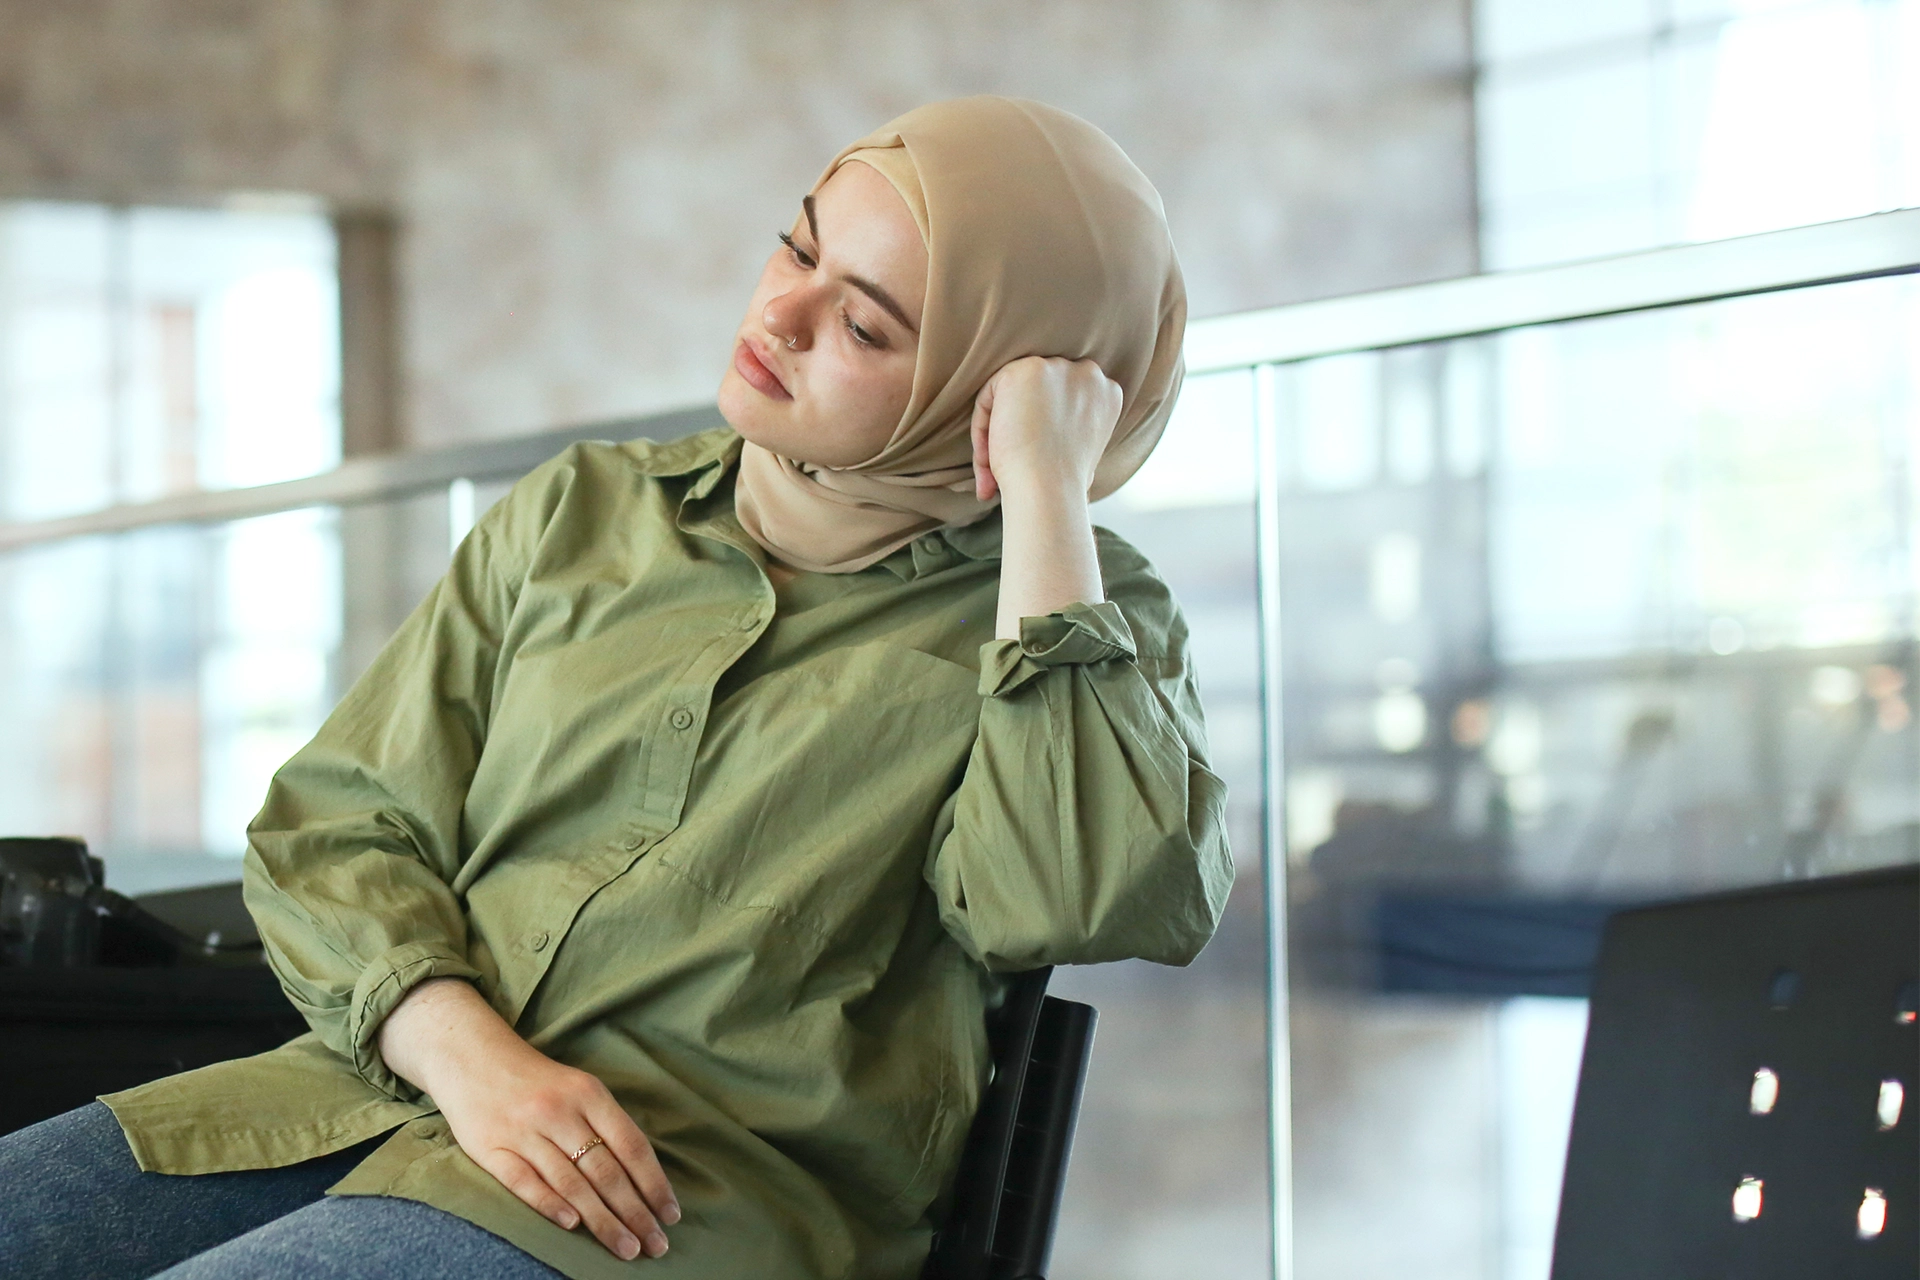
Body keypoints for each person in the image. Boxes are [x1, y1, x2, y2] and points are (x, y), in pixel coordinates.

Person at [0, 96, 1232, 1279]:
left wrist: (1048, 499)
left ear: (988, 391)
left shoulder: (1070, 615)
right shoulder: (584, 509)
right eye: (796, 245)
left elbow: (1076, 898)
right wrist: (472, 1060)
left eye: (866, 327)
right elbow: (338, 820)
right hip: (370, 1095)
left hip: (670, 1202)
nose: (783, 312)